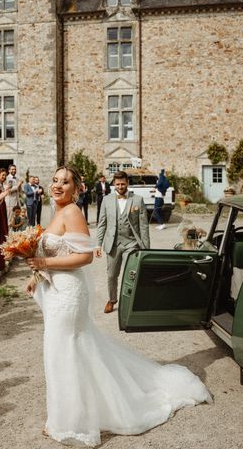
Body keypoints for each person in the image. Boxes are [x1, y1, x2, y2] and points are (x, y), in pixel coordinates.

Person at [25, 166, 211, 447]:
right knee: (66, 352)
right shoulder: (57, 212)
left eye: (66, 182)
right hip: (56, 292)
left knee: (64, 353)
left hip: (68, 296)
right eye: (55, 181)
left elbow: (85, 257)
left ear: (77, 189)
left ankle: (70, 423)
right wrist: (36, 275)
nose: (58, 185)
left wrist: (44, 264)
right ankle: (65, 416)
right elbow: (56, 250)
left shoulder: (73, 212)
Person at [95, 170, 150, 314]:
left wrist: (146, 248)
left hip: (131, 243)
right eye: (118, 184)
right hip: (112, 244)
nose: (120, 186)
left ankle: (129, 302)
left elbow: (143, 226)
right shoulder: (106, 200)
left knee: (129, 274)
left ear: (128, 183)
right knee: (111, 275)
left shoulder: (137, 200)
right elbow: (101, 224)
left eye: (123, 184)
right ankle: (112, 300)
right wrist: (98, 244)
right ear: (113, 184)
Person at [0, 168, 10, 234]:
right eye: (2, 175)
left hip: (3, 204)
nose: (4, 177)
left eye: (5, 175)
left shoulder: (2, 184)